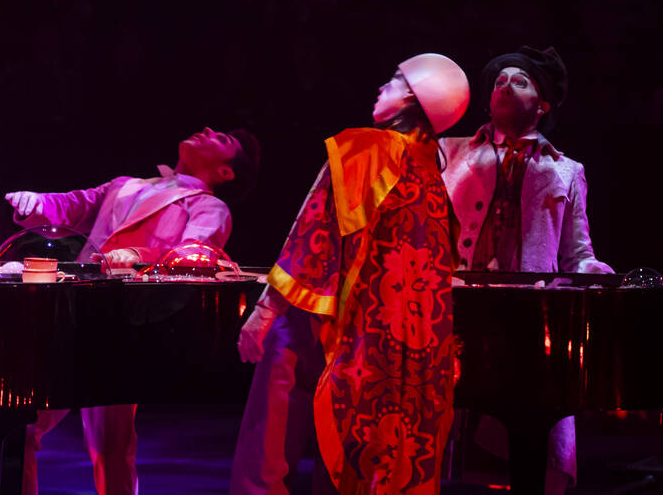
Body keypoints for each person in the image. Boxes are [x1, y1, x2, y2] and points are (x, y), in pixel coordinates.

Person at [234, 53, 469, 494]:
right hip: (398, 355)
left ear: (416, 101)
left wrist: (263, 312)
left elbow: (313, 228)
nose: (383, 86)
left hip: (330, 325)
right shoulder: (432, 177)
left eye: (397, 80)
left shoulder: (367, 145)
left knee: (267, 453)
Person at [5, 126, 261, 495]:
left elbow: (194, 257)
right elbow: (73, 205)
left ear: (225, 172)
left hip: (124, 323)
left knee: (111, 447)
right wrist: (35, 201)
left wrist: (139, 256)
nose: (207, 130)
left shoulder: (209, 206)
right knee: (23, 427)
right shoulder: (126, 184)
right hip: (72, 312)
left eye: (221, 140)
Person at [440, 45, 612, 494]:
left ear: (543, 103)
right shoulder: (449, 154)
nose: (505, 85)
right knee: (454, 443)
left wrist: (598, 272)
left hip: (529, 328)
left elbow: (577, 253)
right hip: (459, 314)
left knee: (524, 445)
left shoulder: (567, 171)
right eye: (499, 81)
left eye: (520, 81)